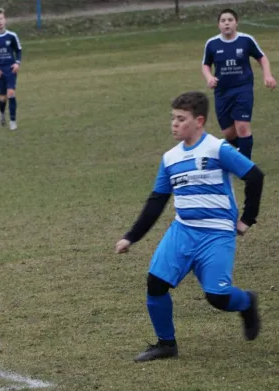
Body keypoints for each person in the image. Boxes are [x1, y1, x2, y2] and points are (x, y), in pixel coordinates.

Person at [115, 91, 264, 362]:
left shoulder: (217, 148)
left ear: (199, 121)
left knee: (217, 297)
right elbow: (156, 201)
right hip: (182, 231)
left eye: (180, 119)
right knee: (156, 283)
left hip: (216, 234)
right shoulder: (170, 158)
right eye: (173, 118)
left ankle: (246, 303)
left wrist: (247, 219)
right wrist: (131, 237)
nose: (174, 124)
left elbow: (255, 176)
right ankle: (166, 344)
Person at [202, 8, 276, 159]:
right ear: (218, 25)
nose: (227, 23)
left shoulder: (246, 40)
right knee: (228, 133)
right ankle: (242, 150)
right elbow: (205, 64)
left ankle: (245, 165)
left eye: (230, 20)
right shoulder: (212, 44)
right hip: (222, 91)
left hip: (243, 89)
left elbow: (262, 57)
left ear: (236, 23)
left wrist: (267, 75)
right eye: (223, 21)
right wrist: (209, 77)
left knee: (242, 127)